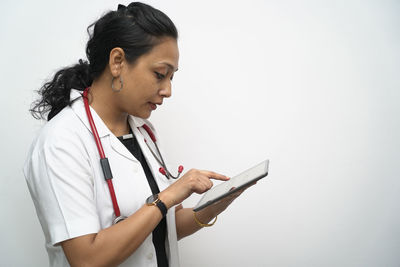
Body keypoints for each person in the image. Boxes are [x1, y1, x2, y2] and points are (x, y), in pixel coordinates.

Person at [23, 2, 251, 267]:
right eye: (160, 74)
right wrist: (167, 196)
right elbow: (87, 259)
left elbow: (164, 224)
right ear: (117, 62)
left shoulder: (145, 132)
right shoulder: (61, 141)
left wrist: (215, 204)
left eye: (171, 77)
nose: (168, 90)